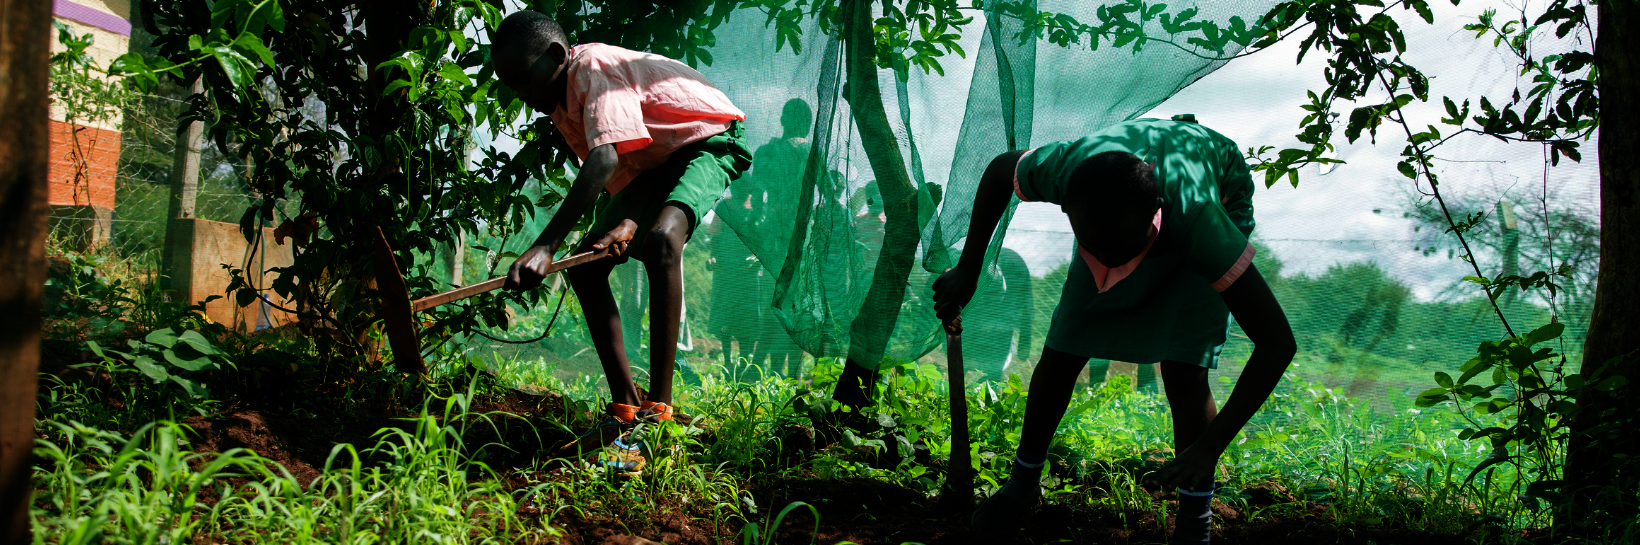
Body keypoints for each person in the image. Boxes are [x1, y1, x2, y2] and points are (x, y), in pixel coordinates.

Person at [931, 116, 1296, 543]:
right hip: (1121, 209)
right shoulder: (1069, 174)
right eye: (1095, 247)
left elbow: (1276, 343)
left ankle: (1194, 521)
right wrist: (969, 267)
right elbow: (999, 170)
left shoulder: (1201, 223)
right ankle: (1024, 483)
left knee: (1185, 365)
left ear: (1156, 211)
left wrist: (1208, 447)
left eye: (1122, 251)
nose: (1109, 260)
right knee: (1064, 346)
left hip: (1214, 194)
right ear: (1065, 206)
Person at [491, 10, 751, 471]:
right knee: (588, 265)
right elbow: (633, 164)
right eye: (513, 87)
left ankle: (658, 416)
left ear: (556, 56)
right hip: (657, 164)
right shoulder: (561, 108)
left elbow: (604, 159)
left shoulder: (592, 67)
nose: (523, 95)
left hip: (707, 140)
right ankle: (625, 412)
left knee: (663, 241)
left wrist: (545, 245)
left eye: (524, 79)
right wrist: (628, 219)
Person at [962, 247, 1034, 381]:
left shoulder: (1015, 272)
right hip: (974, 301)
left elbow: (1026, 311)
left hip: (1004, 313)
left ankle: (992, 382)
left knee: (994, 368)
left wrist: (1024, 344)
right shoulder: (966, 275)